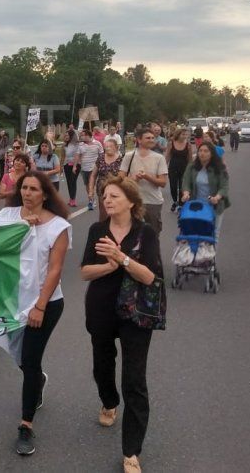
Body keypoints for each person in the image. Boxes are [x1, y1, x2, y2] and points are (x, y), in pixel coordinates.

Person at [81, 175, 163, 473]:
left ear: (131, 201)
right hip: (101, 309)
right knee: (102, 366)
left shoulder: (146, 233)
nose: (108, 200)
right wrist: (107, 265)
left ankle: (131, 452)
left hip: (136, 313)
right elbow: (85, 272)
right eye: (105, 196)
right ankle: (108, 400)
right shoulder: (97, 230)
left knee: (134, 380)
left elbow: (150, 277)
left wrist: (121, 258)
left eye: (114, 196)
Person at [0, 170, 71, 456]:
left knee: (29, 359)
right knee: (19, 356)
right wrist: (18, 230)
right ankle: (37, 379)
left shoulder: (59, 226)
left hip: (45, 304)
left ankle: (26, 425)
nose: (28, 193)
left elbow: (55, 269)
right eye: (24, 188)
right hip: (10, 301)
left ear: (45, 194)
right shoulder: (6, 218)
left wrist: (40, 305)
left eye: (34, 189)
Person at [118, 127, 168, 235]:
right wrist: (134, 179)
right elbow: (120, 179)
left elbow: (163, 182)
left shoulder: (159, 158)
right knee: (132, 233)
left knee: (153, 234)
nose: (151, 140)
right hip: (133, 201)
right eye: (148, 138)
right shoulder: (128, 156)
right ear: (139, 140)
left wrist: (147, 177)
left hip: (153, 202)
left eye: (153, 138)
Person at [180, 142, 231, 237]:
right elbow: (186, 182)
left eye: (206, 151)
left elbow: (224, 187)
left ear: (212, 153)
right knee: (195, 232)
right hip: (196, 205)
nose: (202, 153)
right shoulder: (192, 167)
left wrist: (217, 197)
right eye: (200, 151)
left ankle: (211, 252)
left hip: (214, 206)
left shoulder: (220, 168)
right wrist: (186, 193)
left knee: (213, 233)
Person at [88, 138, 123, 221]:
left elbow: (125, 177)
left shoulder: (121, 159)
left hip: (117, 190)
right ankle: (103, 230)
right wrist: (90, 191)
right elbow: (93, 175)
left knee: (115, 213)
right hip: (102, 189)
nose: (108, 148)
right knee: (103, 212)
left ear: (116, 147)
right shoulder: (100, 158)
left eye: (110, 146)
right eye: (106, 146)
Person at [165, 128, 192, 212]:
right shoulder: (171, 143)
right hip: (173, 167)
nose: (185, 136)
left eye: (186, 134)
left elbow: (190, 158)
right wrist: (163, 167)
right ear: (178, 135)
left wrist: (191, 169)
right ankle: (175, 201)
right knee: (173, 186)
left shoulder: (188, 145)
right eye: (183, 134)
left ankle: (181, 204)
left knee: (182, 187)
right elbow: (167, 156)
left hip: (184, 168)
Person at [77, 130, 104, 211]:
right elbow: (78, 155)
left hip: (94, 168)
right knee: (87, 185)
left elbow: (101, 155)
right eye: (81, 135)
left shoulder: (97, 143)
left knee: (92, 184)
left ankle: (92, 199)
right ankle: (91, 199)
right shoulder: (80, 145)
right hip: (84, 167)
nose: (82, 137)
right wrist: (76, 165)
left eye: (83, 135)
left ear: (88, 135)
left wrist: (101, 164)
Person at [63, 130, 81, 207]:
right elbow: (63, 156)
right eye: (65, 136)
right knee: (69, 182)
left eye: (67, 135)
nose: (66, 137)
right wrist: (61, 167)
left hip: (76, 165)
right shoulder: (64, 145)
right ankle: (71, 198)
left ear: (71, 136)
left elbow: (79, 155)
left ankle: (73, 200)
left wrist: (75, 165)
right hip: (67, 165)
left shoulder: (77, 144)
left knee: (73, 182)